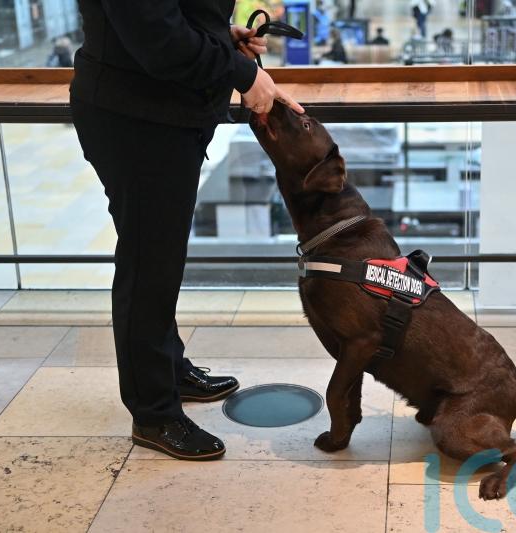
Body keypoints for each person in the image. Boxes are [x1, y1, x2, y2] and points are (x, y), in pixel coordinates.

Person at [69, 0, 303, 461]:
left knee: (160, 258)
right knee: (147, 266)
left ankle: (169, 370)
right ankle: (153, 413)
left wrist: (220, 38)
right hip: (137, 119)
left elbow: (173, 17)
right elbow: (157, 38)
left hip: (163, 116)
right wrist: (242, 72)